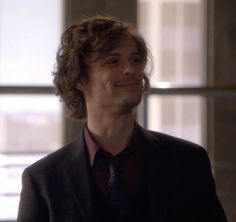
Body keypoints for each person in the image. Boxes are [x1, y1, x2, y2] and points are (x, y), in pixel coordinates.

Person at [17, 15, 228, 222]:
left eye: (135, 60)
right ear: (80, 78)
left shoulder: (189, 162)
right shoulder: (43, 180)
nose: (131, 70)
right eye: (113, 61)